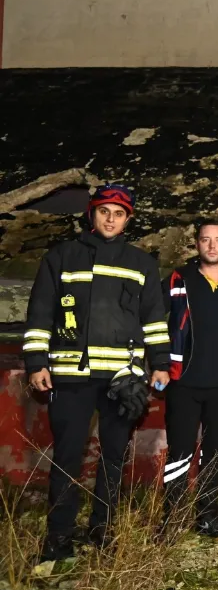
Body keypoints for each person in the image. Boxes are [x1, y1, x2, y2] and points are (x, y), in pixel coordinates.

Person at [23, 184, 169, 561]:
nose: (110, 219)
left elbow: (154, 320)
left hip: (123, 380)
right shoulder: (61, 257)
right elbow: (40, 313)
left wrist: (161, 365)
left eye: (119, 214)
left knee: (113, 459)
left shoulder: (142, 263)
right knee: (67, 457)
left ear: (127, 220)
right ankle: (58, 537)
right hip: (71, 376)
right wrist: (37, 363)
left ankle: (103, 530)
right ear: (91, 213)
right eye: (104, 211)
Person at [161, 220, 218, 537]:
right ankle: (173, 518)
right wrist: (157, 363)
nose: (212, 245)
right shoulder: (179, 279)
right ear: (197, 244)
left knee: (214, 453)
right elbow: (152, 317)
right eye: (205, 239)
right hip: (184, 382)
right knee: (179, 452)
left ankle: (207, 516)